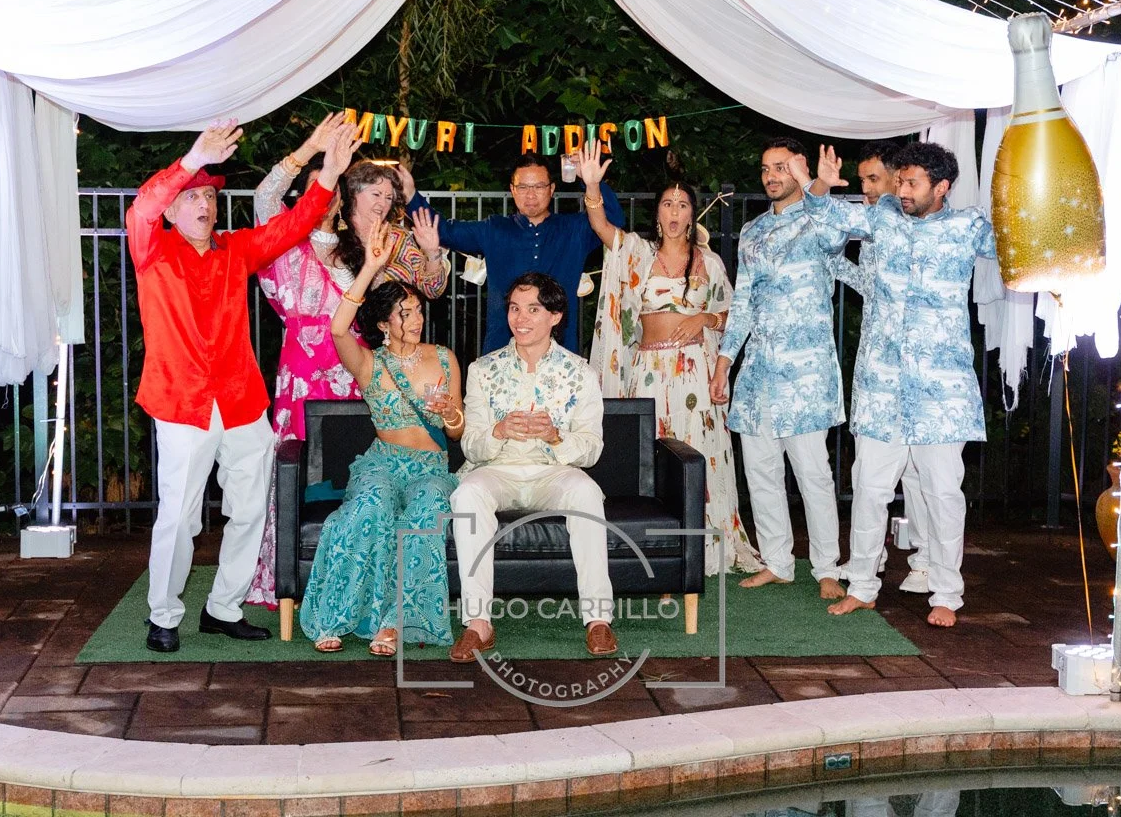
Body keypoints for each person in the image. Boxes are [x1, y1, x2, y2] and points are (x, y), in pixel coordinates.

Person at [126, 113, 358, 654]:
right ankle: (163, 615)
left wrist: (327, 168)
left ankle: (223, 608)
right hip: (181, 402)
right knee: (179, 517)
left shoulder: (235, 249)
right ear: (172, 210)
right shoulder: (152, 248)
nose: (204, 205)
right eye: (191, 197)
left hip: (241, 402)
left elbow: (294, 226)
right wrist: (193, 158)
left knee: (252, 508)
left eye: (209, 196)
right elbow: (141, 208)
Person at [800, 144, 997, 628]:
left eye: (912, 184)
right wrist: (820, 184)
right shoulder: (882, 218)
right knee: (869, 489)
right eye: (900, 181)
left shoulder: (968, 226)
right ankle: (862, 587)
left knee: (943, 495)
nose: (901, 190)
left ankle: (947, 593)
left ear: (941, 187)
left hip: (941, 394)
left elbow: (1019, 254)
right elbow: (824, 223)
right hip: (882, 389)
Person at [244, 153, 446, 610]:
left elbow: (412, 298)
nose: (326, 197)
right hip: (301, 372)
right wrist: (312, 149)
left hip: (353, 370)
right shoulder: (288, 241)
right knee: (293, 465)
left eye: (332, 190)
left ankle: (351, 575)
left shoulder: (363, 249)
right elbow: (265, 197)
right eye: (318, 188)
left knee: (348, 469)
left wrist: (426, 256)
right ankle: (281, 576)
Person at [579, 141, 763, 575]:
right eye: (667, 204)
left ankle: (707, 547)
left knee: (699, 452)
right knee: (654, 453)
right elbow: (601, 226)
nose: (675, 211)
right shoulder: (637, 253)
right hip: (647, 371)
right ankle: (657, 546)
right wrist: (592, 186)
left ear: (692, 214)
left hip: (695, 370)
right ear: (657, 214)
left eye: (682, 204)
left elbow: (735, 315)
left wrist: (704, 318)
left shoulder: (709, 263)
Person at [298, 219, 464, 654]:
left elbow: (457, 430)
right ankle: (335, 616)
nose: (416, 319)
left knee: (426, 515)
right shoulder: (369, 363)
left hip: (431, 467)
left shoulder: (443, 358)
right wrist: (371, 268)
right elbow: (338, 330)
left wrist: (451, 414)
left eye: (418, 310)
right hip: (383, 464)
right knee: (370, 508)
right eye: (404, 313)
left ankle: (394, 622)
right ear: (384, 323)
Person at [448, 273, 618, 662]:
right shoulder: (482, 369)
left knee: (586, 491)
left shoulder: (581, 372)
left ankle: (598, 619)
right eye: (514, 308)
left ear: (555, 316)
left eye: (533, 309)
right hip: (498, 468)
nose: (520, 319)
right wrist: (498, 431)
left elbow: (591, 449)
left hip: (552, 470)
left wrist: (556, 437)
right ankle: (478, 624)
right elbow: (470, 444)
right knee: (467, 493)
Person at [707, 138, 850, 600]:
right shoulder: (752, 231)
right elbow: (743, 302)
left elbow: (837, 239)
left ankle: (826, 567)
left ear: (799, 169)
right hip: (758, 374)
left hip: (807, 374)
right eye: (766, 168)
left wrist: (818, 187)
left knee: (813, 475)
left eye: (781, 167)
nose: (771, 176)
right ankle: (778, 562)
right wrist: (724, 363)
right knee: (761, 473)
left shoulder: (820, 218)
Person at [830, 142, 933, 596]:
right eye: (862, 180)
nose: (865, 189)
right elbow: (871, 288)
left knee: (919, 474)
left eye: (873, 179)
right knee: (868, 473)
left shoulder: (921, 228)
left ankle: (926, 561)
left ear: (898, 179)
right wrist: (834, 263)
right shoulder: (873, 227)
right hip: (874, 366)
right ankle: (867, 562)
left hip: (916, 372)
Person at [404, 155, 625, 354]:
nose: (531, 194)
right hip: (502, 348)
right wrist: (411, 196)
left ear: (552, 189)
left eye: (539, 186)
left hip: (560, 351)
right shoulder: (494, 229)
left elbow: (613, 222)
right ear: (512, 190)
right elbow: (444, 230)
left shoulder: (574, 229)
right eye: (523, 187)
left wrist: (591, 183)